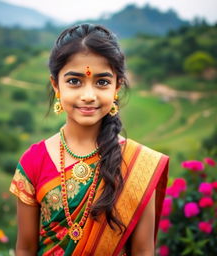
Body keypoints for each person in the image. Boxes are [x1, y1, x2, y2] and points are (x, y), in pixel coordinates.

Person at [9, 23, 169, 256]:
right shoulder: (34, 161)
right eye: (74, 81)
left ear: (117, 87)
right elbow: (25, 249)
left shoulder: (138, 166)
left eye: (102, 82)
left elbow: (143, 252)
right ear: (56, 86)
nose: (88, 96)